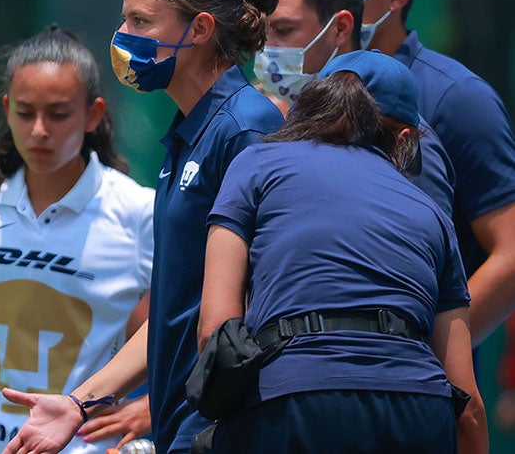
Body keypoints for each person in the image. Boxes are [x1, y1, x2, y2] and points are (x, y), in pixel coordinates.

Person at [3, 0, 284, 454]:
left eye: (140, 20)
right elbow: (177, 310)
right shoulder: (189, 135)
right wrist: (79, 402)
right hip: (181, 423)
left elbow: (263, 299)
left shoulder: (247, 128)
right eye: (123, 18)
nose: (123, 35)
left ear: (198, 29)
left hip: (221, 428)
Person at [199, 49, 487, 453]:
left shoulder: (255, 164)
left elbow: (215, 329)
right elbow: (467, 402)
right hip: (417, 410)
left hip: (293, 401)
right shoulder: (432, 214)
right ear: (405, 139)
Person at [0, 25, 155, 453]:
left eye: (58, 114)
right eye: (24, 112)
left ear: (93, 114)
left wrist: (152, 405)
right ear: (6, 109)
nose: (39, 130)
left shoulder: (137, 210)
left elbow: (189, 316)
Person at [315, 0, 515, 347]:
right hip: (320, 380)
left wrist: (425, 355)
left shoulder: (456, 97)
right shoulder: (311, 87)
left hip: (416, 392)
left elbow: (511, 253)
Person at [253, 0, 455, 216]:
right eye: (260, 32)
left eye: (283, 30)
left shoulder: (396, 135)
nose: (266, 47)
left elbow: (425, 247)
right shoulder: (258, 118)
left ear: (340, 28)